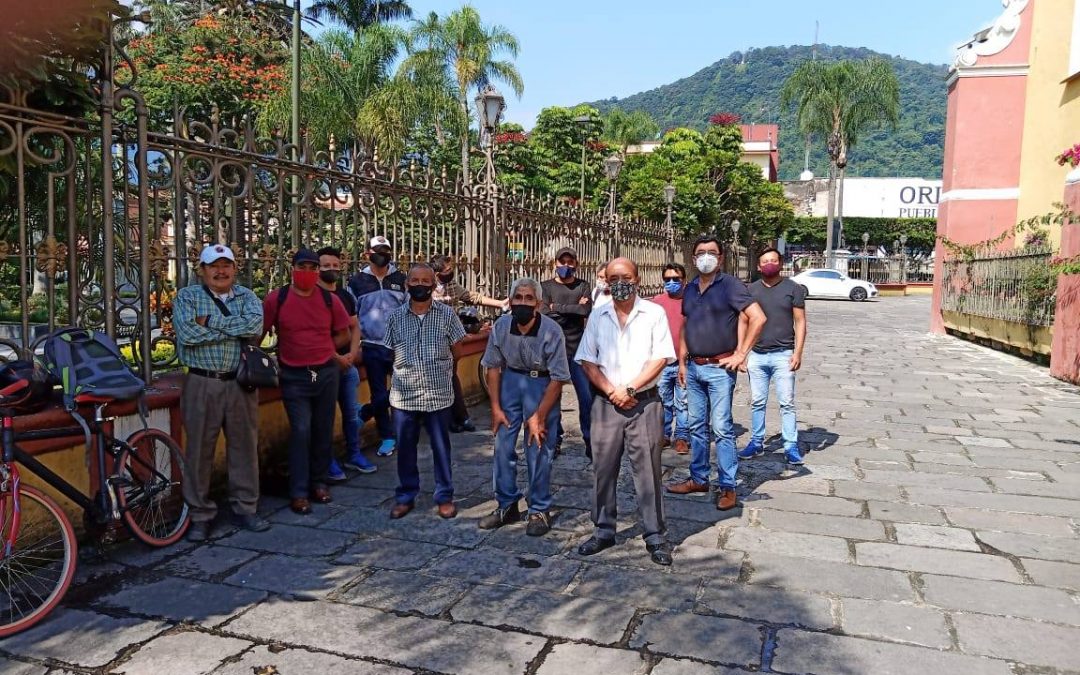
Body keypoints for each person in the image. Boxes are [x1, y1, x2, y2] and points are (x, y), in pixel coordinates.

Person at [574, 257, 676, 566]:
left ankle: (655, 534)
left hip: (644, 402)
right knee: (603, 469)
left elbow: (660, 358)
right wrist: (611, 391)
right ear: (605, 280)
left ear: (638, 278)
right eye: (614, 277)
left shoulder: (654, 314)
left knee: (648, 471)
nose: (620, 282)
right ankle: (603, 529)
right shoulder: (598, 315)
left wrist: (629, 389)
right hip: (606, 404)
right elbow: (587, 360)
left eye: (626, 277)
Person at [175, 244, 270, 541]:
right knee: (199, 451)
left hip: (241, 382)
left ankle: (246, 508)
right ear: (202, 270)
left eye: (226, 264)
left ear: (235, 268)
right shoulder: (187, 297)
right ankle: (200, 514)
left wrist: (211, 322)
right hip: (203, 383)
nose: (221, 271)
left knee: (244, 447)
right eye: (214, 265)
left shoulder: (248, 297)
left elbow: (254, 326)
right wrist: (233, 328)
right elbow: (188, 335)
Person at [667, 236, 766, 511]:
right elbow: (687, 325)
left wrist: (741, 353)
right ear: (694, 258)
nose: (706, 257)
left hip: (720, 369)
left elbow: (758, 317)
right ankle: (699, 478)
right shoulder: (689, 290)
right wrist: (683, 362)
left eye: (712, 252)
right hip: (695, 367)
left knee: (722, 428)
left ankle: (728, 485)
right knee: (697, 427)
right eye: (700, 253)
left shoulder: (731, 285)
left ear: (720, 258)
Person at [264, 249, 352, 515]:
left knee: (323, 429)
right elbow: (258, 335)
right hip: (293, 375)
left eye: (313, 267)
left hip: (325, 372)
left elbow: (343, 334)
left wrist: (325, 350)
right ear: (292, 268)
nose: (309, 272)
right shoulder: (276, 299)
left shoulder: (329, 300)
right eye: (303, 266)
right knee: (301, 430)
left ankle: (319, 482)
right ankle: (299, 492)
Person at [479, 278, 569, 536]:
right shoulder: (502, 325)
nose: (522, 303)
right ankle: (506, 505)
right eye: (518, 297)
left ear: (538, 304)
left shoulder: (552, 331)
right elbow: (493, 368)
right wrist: (495, 407)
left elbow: (559, 377)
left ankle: (539, 508)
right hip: (510, 382)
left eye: (529, 298)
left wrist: (539, 415)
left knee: (538, 446)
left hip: (541, 386)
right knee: (502, 445)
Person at [383, 263, 467, 520]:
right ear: (407, 285)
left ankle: (444, 496)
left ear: (433, 285)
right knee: (406, 447)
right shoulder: (395, 317)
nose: (420, 285)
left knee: (441, 447)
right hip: (404, 395)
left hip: (438, 394)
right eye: (415, 280)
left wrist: (441, 371)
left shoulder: (447, 315)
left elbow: (458, 351)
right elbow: (389, 352)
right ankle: (406, 495)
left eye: (425, 281)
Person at [738, 248, 807, 465]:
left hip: (783, 354)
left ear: (780, 264)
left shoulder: (793, 289)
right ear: (758, 266)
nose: (769, 264)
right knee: (757, 401)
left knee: (787, 402)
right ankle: (756, 442)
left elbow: (800, 321)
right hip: (757, 355)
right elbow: (743, 321)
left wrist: (798, 352)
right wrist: (742, 352)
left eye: (773, 261)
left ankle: (790, 445)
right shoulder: (750, 290)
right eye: (765, 261)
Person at [317, 247, 377, 481]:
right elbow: (316, 336)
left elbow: (355, 327)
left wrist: (351, 355)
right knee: (325, 417)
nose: (331, 269)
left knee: (351, 415)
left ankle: (354, 453)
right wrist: (336, 356)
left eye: (334, 265)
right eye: (325, 266)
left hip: (347, 366)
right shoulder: (313, 296)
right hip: (324, 366)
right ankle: (328, 460)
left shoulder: (345, 295)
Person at [430, 254, 507, 434]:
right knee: (443, 380)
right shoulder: (427, 286)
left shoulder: (451, 286)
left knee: (450, 377)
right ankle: (455, 418)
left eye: (451, 269)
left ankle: (458, 418)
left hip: (451, 339)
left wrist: (499, 303)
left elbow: (472, 297)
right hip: (431, 340)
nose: (450, 273)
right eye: (446, 270)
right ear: (436, 272)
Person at [348, 235, 407, 458]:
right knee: (378, 390)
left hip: (399, 344)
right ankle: (388, 436)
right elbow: (351, 317)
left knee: (406, 386)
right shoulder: (356, 282)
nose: (382, 255)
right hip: (371, 346)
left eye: (386, 250)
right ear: (367, 254)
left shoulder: (401, 278)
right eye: (377, 251)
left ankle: (366, 412)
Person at [539, 247, 593, 459]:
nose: (566, 266)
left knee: (586, 398)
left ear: (576, 264)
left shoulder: (583, 285)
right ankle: (555, 439)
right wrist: (572, 308)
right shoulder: (545, 286)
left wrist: (557, 307)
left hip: (578, 349)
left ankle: (590, 441)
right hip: (552, 350)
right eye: (563, 262)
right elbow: (545, 313)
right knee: (552, 398)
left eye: (570, 262)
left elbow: (586, 311)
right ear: (555, 264)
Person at [650, 262, 690, 455]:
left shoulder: (691, 301)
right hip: (662, 361)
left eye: (676, 279)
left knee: (683, 402)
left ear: (684, 280)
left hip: (685, 361)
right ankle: (664, 434)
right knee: (663, 401)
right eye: (667, 279)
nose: (671, 282)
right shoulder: (656, 302)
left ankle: (682, 436)